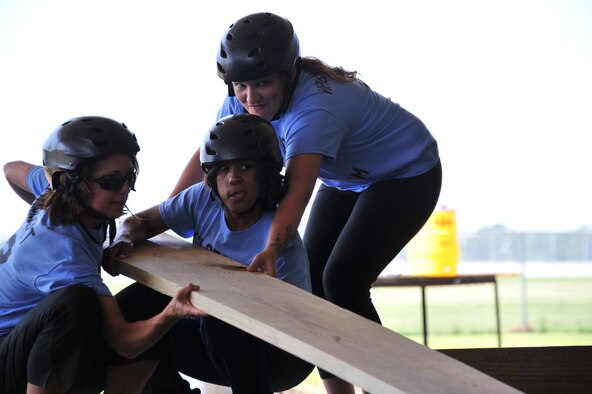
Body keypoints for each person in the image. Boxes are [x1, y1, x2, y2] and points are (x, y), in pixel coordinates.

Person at [170, 12, 443, 394]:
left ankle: (381, 389)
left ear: (289, 74)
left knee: (342, 280)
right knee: (312, 284)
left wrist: (270, 249)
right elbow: (211, 157)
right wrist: (168, 213)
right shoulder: (240, 100)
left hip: (406, 173)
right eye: (241, 86)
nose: (251, 98)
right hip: (345, 178)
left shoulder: (314, 110)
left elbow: (296, 194)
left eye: (262, 83)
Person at [0, 116, 206, 394]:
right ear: (70, 183)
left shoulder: (53, 192)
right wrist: (171, 315)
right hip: (6, 359)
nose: (124, 189)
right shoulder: (66, 257)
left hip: (22, 341)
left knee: (148, 301)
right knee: (76, 304)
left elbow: (11, 169)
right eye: (110, 181)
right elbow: (123, 341)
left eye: (128, 177)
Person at [109, 113, 313, 394]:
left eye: (245, 167)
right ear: (211, 175)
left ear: (265, 172)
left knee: (220, 316)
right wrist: (124, 237)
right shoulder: (202, 197)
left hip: (283, 353)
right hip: (217, 334)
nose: (233, 180)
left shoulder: (278, 239)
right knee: (131, 307)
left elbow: (290, 327)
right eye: (223, 169)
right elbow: (141, 222)